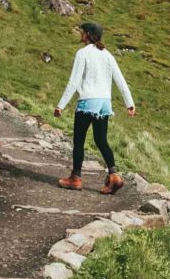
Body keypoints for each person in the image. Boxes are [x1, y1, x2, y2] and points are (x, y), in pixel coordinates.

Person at [56, 22, 135, 193]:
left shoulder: (82, 53)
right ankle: (114, 176)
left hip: (88, 101)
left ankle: (75, 178)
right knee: (101, 140)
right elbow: (120, 80)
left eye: (82, 32)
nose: (80, 34)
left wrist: (61, 105)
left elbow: (74, 80)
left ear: (88, 34)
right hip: (104, 103)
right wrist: (129, 103)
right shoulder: (108, 55)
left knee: (79, 141)